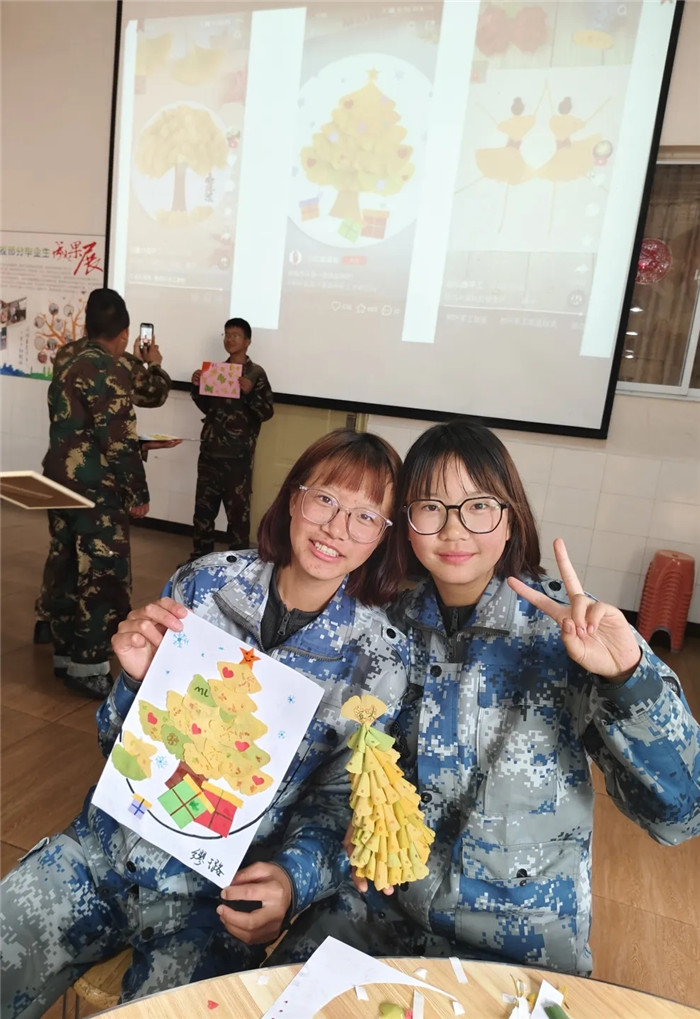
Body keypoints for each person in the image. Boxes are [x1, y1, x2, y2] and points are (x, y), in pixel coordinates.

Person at [1, 429, 409, 1019]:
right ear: (294, 497)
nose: (337, 528)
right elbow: (116, 745)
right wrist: (135, 682)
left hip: (211, 902)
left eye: (366, 516)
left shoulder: (381, 660)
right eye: (324, 499)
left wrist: (290, 881)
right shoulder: (206, 585)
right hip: (101, 852)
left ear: (384, 536)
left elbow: (340, 807)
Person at [269, 419, 700, 976]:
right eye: (431, 507)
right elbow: (331, 776)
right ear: (406, 527)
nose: (455, 531)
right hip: (380, 911)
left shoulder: (567, 636)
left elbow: (681, 813)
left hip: (518, 940)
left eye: (478, 506)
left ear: (510, 519)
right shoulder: (388, 629)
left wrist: (629, 678)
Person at [39, 288, 150, 699]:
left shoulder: (68, 360)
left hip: (58, 478)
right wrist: (137, 491)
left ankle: (64, 654)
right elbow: (118, 441)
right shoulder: (109, 368)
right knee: (104, 574)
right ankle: (88, 666)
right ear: (123, 335)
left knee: (66, 563)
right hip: (94, 488)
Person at [33, 331, 173, 645]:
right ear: (121, 333)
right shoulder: (114, 360)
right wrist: (153, 364)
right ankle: (91, 653)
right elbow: (152, 395)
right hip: (96, 480)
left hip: (60, 471)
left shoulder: (67, 353)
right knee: (102, 564)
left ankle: (51, 625)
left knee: (63, 553)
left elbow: (82, 420)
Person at [190, 317, 273, 558]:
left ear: (247, 341)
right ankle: (198, 561)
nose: (229, 339)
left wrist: (249, 393)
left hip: (237, 457)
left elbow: (266, 412)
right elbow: (208, 407)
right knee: (203, 512)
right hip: (210, 453)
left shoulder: (256, 373)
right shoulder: (217, 372)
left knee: (237, 516)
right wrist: (197, 386)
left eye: (235, 335)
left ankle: (237, 564)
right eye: (226, 335)